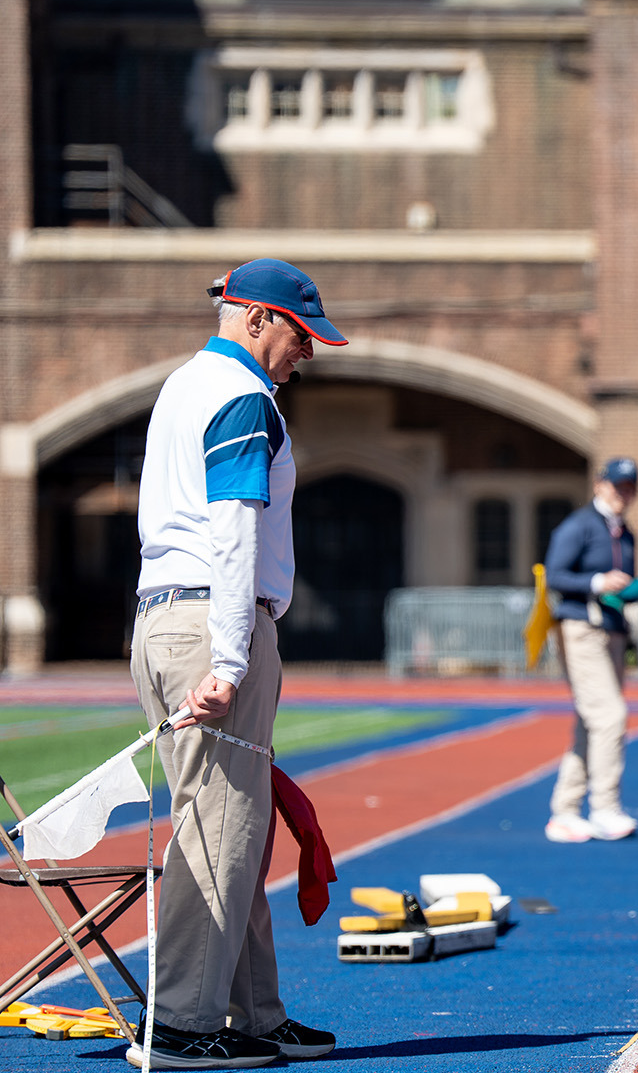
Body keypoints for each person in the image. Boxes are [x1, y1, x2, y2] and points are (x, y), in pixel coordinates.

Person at [129, 259, 342, 1067]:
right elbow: (232, 526)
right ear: (256, 318)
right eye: (300, 333)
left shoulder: (182, 384)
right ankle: (183, 1024)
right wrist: (229, 655)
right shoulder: (243, 397)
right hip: (214, 620)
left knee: (235, 821)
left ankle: (253, 1014)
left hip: (163, 617)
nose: (308, 353)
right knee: (218, 828)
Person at [542, 457, 638, 842]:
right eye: (617, 485)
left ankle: (564, 810)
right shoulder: (579, 526)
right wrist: (597, 581)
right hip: (581, 629)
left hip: (612, 632)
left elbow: (620, 590)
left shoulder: (626, 532)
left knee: (591, 720)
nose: (623, 493)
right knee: (610, 716)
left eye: (630, 487)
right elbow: (554, 574)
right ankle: (604, 807)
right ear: (599, 485)